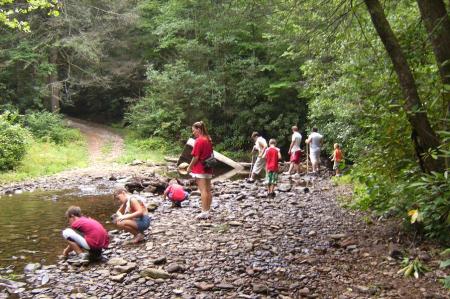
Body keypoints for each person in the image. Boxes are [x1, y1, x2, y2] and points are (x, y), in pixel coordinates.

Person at [186, 121, 214, 220]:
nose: (193, 133)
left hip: (200, 168)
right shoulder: (208, 139)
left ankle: (204, 212)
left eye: (194, 131)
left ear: (198, 129)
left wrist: (189, 167)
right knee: (208, 190)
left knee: (203, 191)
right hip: (209, 167)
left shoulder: (199, 140)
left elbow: (196, 157)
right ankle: (207, 210)